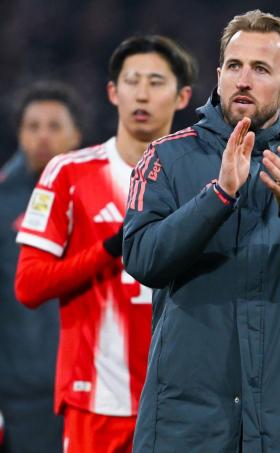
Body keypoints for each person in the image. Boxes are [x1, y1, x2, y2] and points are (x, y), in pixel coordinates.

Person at [122, 10, 280, 452]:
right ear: (219, 74)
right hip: (189, 421)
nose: (243, 79)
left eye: (261, 69)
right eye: (234, 66)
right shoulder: (164, 158)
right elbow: (143, 258)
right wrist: (218, 195)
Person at [14, 36, 195, 452]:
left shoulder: (205, 180)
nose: (142, 93)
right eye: (132, 81)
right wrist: (111, 249)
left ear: (183, 95)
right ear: (113, 92)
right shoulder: (68, 173)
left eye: (155, 81)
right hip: (96, 400)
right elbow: (29, 286)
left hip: (183, 399)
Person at [0, 81, 83, 453]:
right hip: (21, 389)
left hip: (88, 382)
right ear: (19, 134)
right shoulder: (2, 202)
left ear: (76, 135)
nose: (43, 137)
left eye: (54, 126)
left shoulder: (98, 193)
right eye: (33, 127)